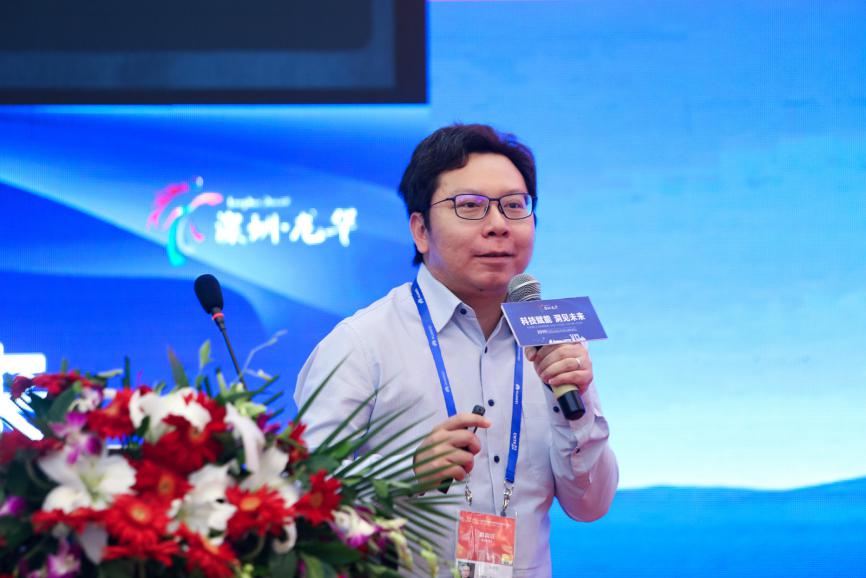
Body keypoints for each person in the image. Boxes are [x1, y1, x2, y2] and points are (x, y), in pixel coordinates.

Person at [295, 124, 618, 577]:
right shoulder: (362, 344)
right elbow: (300, 493)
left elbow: (591, 505)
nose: (498, 225)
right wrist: (406, 470)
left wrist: (577, 410)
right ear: (420, 230)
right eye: (470, 206)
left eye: (514, 205)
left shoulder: (555, 342)